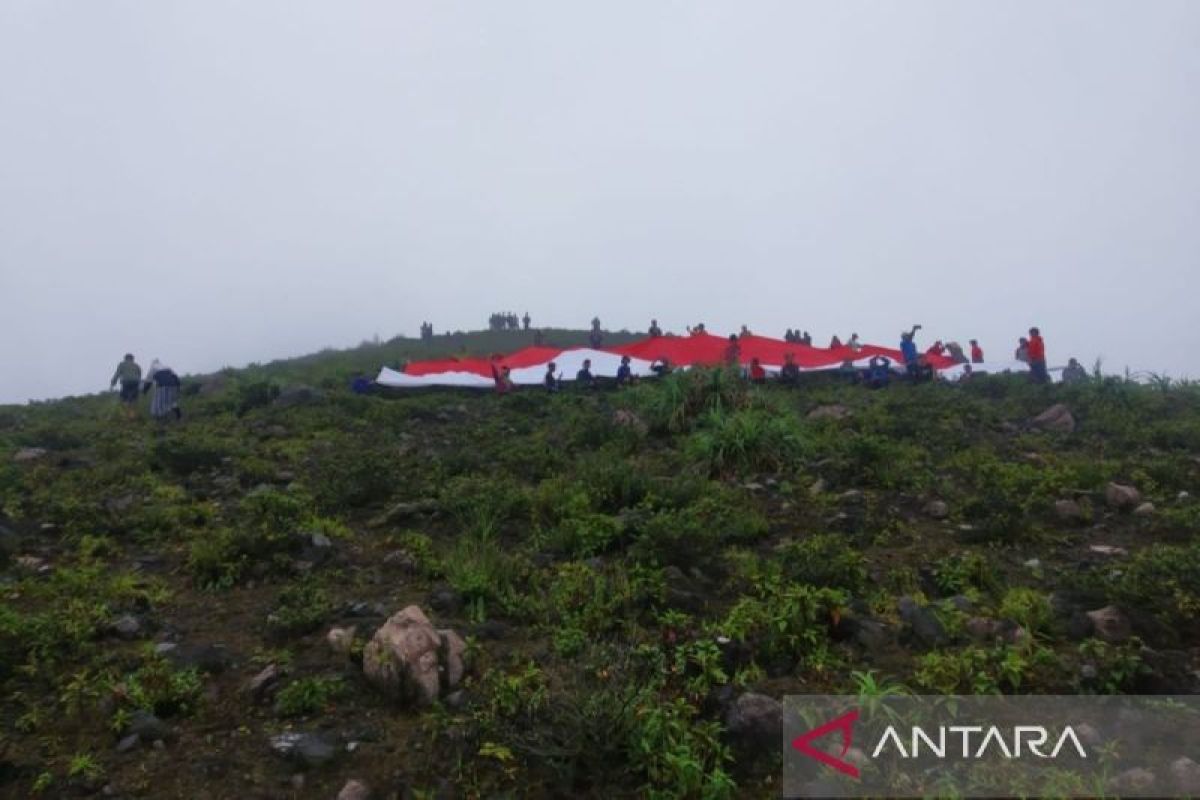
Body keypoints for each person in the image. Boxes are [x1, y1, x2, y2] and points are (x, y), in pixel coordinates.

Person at [110, 353, 142, 417]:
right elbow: (139, 375)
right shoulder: (137, 365)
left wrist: (113, 383)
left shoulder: (122, 364)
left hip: (126, 382)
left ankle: (125, 415)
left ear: (125, 358)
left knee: (124, 398)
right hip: (135, 383)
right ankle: (132, 416)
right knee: (133, 399)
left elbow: (117, 374)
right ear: (132, 359)